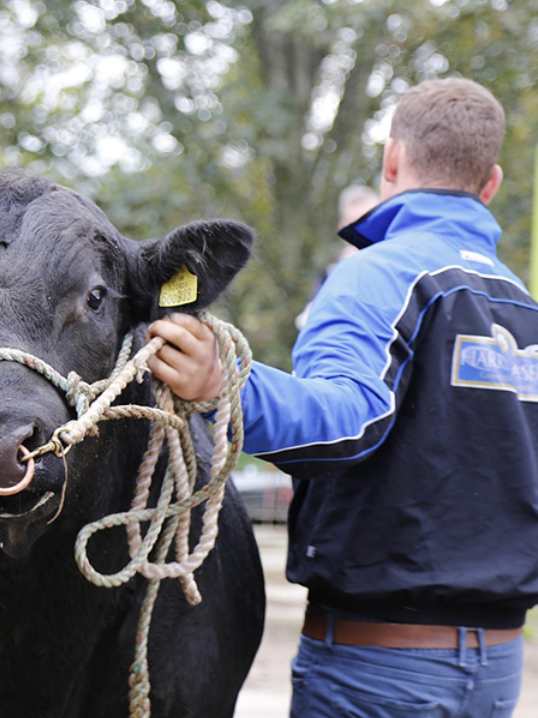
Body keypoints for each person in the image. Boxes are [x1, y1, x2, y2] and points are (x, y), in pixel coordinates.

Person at [149, 77, 538, 717]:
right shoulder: (518, 301)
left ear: (391, 161)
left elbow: (350, 418)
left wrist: (225, 384)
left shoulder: (377, 274)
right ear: (490, 182)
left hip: (380, 669)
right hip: (497, 669)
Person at [295, 184, 381, 329]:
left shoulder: (394, 266)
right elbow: (305, 321)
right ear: (342, 229)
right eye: (356, 224)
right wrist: (344, 272)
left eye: (371, 222)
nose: (365, 232)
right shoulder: (330, 274)